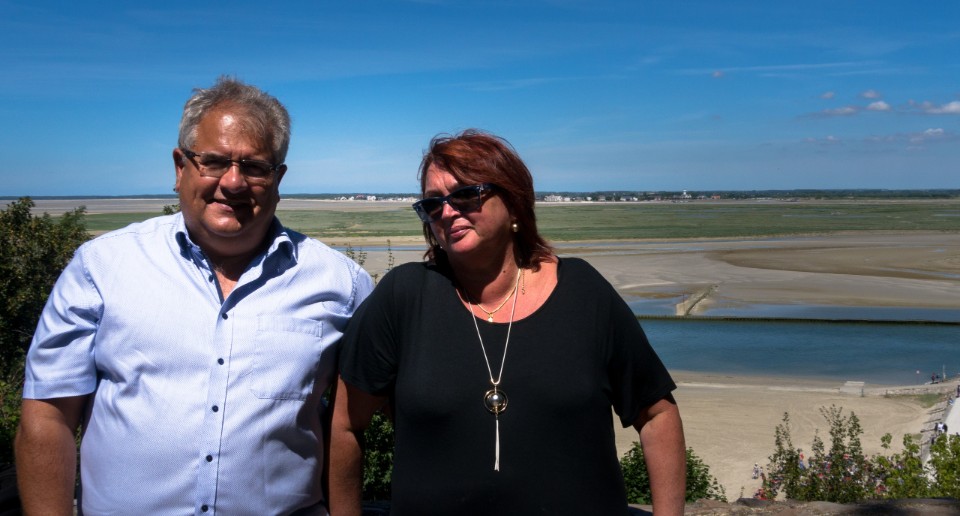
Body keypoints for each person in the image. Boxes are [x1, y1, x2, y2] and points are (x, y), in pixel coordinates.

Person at [15, 77, 374, 515]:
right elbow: (48, 415)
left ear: (278, 178)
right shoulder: (102, 267)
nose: (234, 182)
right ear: (179, 166)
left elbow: (351, 424)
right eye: (215, 162)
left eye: (254, 167)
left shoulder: (342, 283)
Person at [328, 130, 686, 515]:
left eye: (466, 194)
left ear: (514, 204)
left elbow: (657, 416)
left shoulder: (584, 293)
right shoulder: (404, 296)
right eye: (433, 204)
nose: (447, 211)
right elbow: (345, 424)